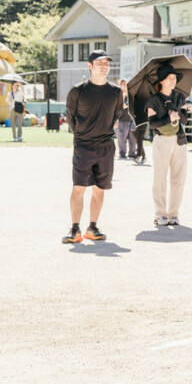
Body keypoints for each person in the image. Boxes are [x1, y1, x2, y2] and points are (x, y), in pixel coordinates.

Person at [61, 50, 123, 243]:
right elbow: (70, 117)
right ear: (90, 66)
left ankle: (92, 227)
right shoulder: (77, 91)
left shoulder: (115, 92)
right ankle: (75, 229)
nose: (104, 66)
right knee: (79, 187)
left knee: (99, 188)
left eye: (107, 63)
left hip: (106, 147)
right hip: (84, 147)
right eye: (99, 63)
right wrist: (82, 135)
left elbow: (117, 116)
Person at [146, 64, 190, 226]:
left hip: (179, 141)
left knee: (179, 179)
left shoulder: (180, 97)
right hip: (162, 141)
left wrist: (177, 114)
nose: (173, 81)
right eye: (170, 78)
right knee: (160, 179)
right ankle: (160, 213)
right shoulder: (153, 100)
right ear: (162, 81)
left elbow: (185, 119)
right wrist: (168, 119)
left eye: (174, 78)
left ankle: (174, 213)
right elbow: (152, 123)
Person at [115, 79, 137, 159]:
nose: (125, 85)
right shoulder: (118, 94)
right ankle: (122, 153)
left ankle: (132, 153)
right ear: (120, 85)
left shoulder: (131, 94)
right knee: (121, 138)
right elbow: (122, 106)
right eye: (123, 84)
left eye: (126, 84)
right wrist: (124, 97)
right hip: (121, 120)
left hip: (131, 119)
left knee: (132, 138)